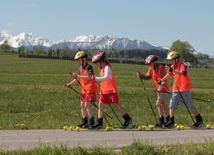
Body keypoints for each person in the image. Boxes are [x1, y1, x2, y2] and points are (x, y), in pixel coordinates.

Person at [159, 51, 203, 128]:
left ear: (176, 59)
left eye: (172, 59)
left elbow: (183, 73)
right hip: (176, 89)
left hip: (185, 88)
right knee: (172, 105)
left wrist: (173, 70)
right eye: (170, 60)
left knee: (190, 105)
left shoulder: (183, 65)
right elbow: (169, 74)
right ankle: (171, 122)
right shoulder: (172, 66)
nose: (171, 61)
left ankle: (199, 120)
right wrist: (161, 80)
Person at [90, 51, 133, 129]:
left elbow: (106, 77)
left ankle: (128, 119)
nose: (96, 65)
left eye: (97, 63)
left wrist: (96, 78)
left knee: (116, 105)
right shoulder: (102, 69)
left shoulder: (107, 68)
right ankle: (99, 122)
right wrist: (98, 83)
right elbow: (104, 80)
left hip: (111, 90)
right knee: (101, 105)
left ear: (102, 61)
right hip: (104, 90)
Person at [65, 51, 97, 128]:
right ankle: (84, 121)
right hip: (84, 90)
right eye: (78, 60)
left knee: (87, 105)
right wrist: (69, 84)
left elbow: (89, 77)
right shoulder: (80, 68)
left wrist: (78, 76)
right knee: (82, 105)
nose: (78, 62)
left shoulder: (89, 67)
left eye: (79, 60)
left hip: (90, 89)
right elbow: (77, 79)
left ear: (84, 59)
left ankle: (91, 122)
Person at [137, 55, 170, 127]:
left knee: (158, 104)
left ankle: (162, 121)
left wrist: (160, 88)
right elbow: (148, 76)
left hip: (163, 88)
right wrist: (141, 76)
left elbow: (164, 80)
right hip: (158, 89)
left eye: (151, 63)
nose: (150, 65)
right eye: (149, 64)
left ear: (155, 62)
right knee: (163, 104)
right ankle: (167, 120)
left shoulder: (161, 68)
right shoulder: (151, 68)